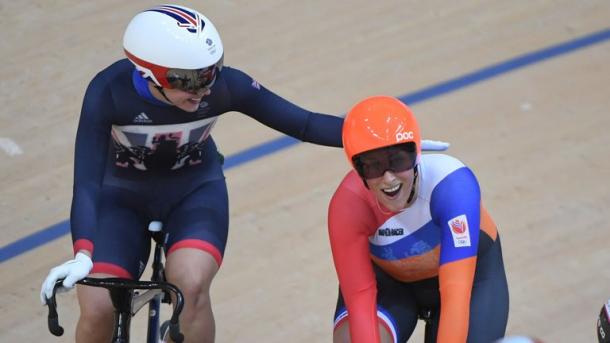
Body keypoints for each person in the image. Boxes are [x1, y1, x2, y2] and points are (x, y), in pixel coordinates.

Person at [38, 4, 447, 343]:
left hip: (193, 191)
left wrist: (384, 144)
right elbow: (88, 181)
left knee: (191, 285)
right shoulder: (108, 92)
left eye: (210, 72)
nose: (202, 89)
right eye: (188, 81)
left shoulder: (222, 87)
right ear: (147, 74)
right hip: (119, 197)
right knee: (96, 307)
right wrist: (84, 251)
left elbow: (302, 123)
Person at [327, 95, 509, 343]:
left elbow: (456, 293)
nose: (389, 179)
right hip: (390, 287)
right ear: (357, 169)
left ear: (417, 153)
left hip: (470, 282)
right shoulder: (347, 205)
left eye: (399, 160)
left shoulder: (453, 186)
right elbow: (360, 298)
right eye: (372, 166)